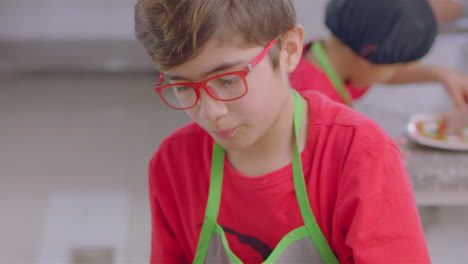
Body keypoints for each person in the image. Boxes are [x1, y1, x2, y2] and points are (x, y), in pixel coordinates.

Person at [135, 0, 430, 263]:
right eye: (183, 87)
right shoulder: (173, 164)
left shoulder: (360, 154)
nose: (210, 112)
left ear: (288, 50)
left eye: (228, 80)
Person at [290, 0, 468, 115]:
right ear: (370, 52)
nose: (397, 71)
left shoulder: (327, 57)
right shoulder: (311, 104)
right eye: (397, 65)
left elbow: (380, 72)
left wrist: (440, 74)